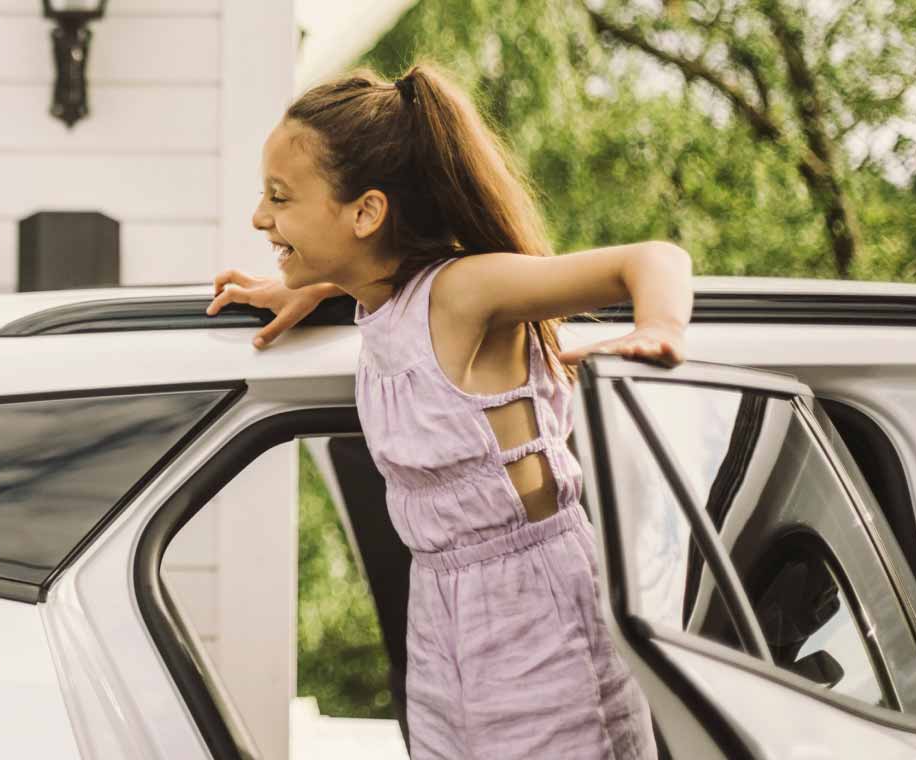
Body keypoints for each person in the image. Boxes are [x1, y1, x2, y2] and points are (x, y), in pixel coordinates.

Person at [209, 65, 689, 759]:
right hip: (439, 610)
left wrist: (661, 329)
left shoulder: (464, 292)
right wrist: (310, 288)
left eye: (279, 199)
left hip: (536, 609)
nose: (259, 217)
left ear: (367, 213)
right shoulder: (378, 299)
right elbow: (376, 285)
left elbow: (653, 258)